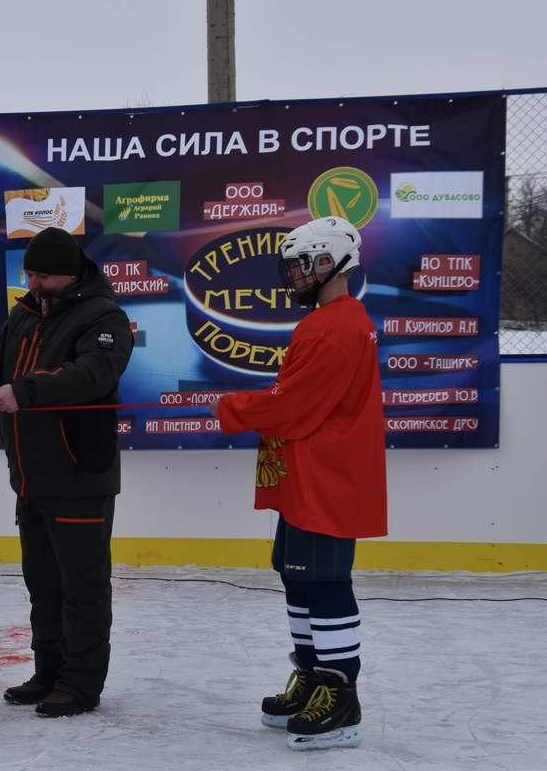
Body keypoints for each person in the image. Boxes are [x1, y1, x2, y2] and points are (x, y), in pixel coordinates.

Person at [211, 216, 387, 751]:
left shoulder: (336, 325)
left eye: (303, 265)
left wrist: (233, 407)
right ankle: (312, 675)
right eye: (291, 267)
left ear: (334, 262)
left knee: (325, 581)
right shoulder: (326, 321)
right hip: (306, 474)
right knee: (297, 575)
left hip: (325, 477)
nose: (294, 276)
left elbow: (296, 405)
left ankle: (340, 694)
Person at [0, 226, 133, 718]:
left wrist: (24, 390)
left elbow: (93, 374)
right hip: (31, 477)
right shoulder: (26, 313)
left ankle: (80, 684)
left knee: (82, 587)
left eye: (43, 276)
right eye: (29, 274)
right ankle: (48, 672)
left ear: (70, 274)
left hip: (79, 473)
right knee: (44, 585)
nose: (34, 283)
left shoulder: (105, 317)